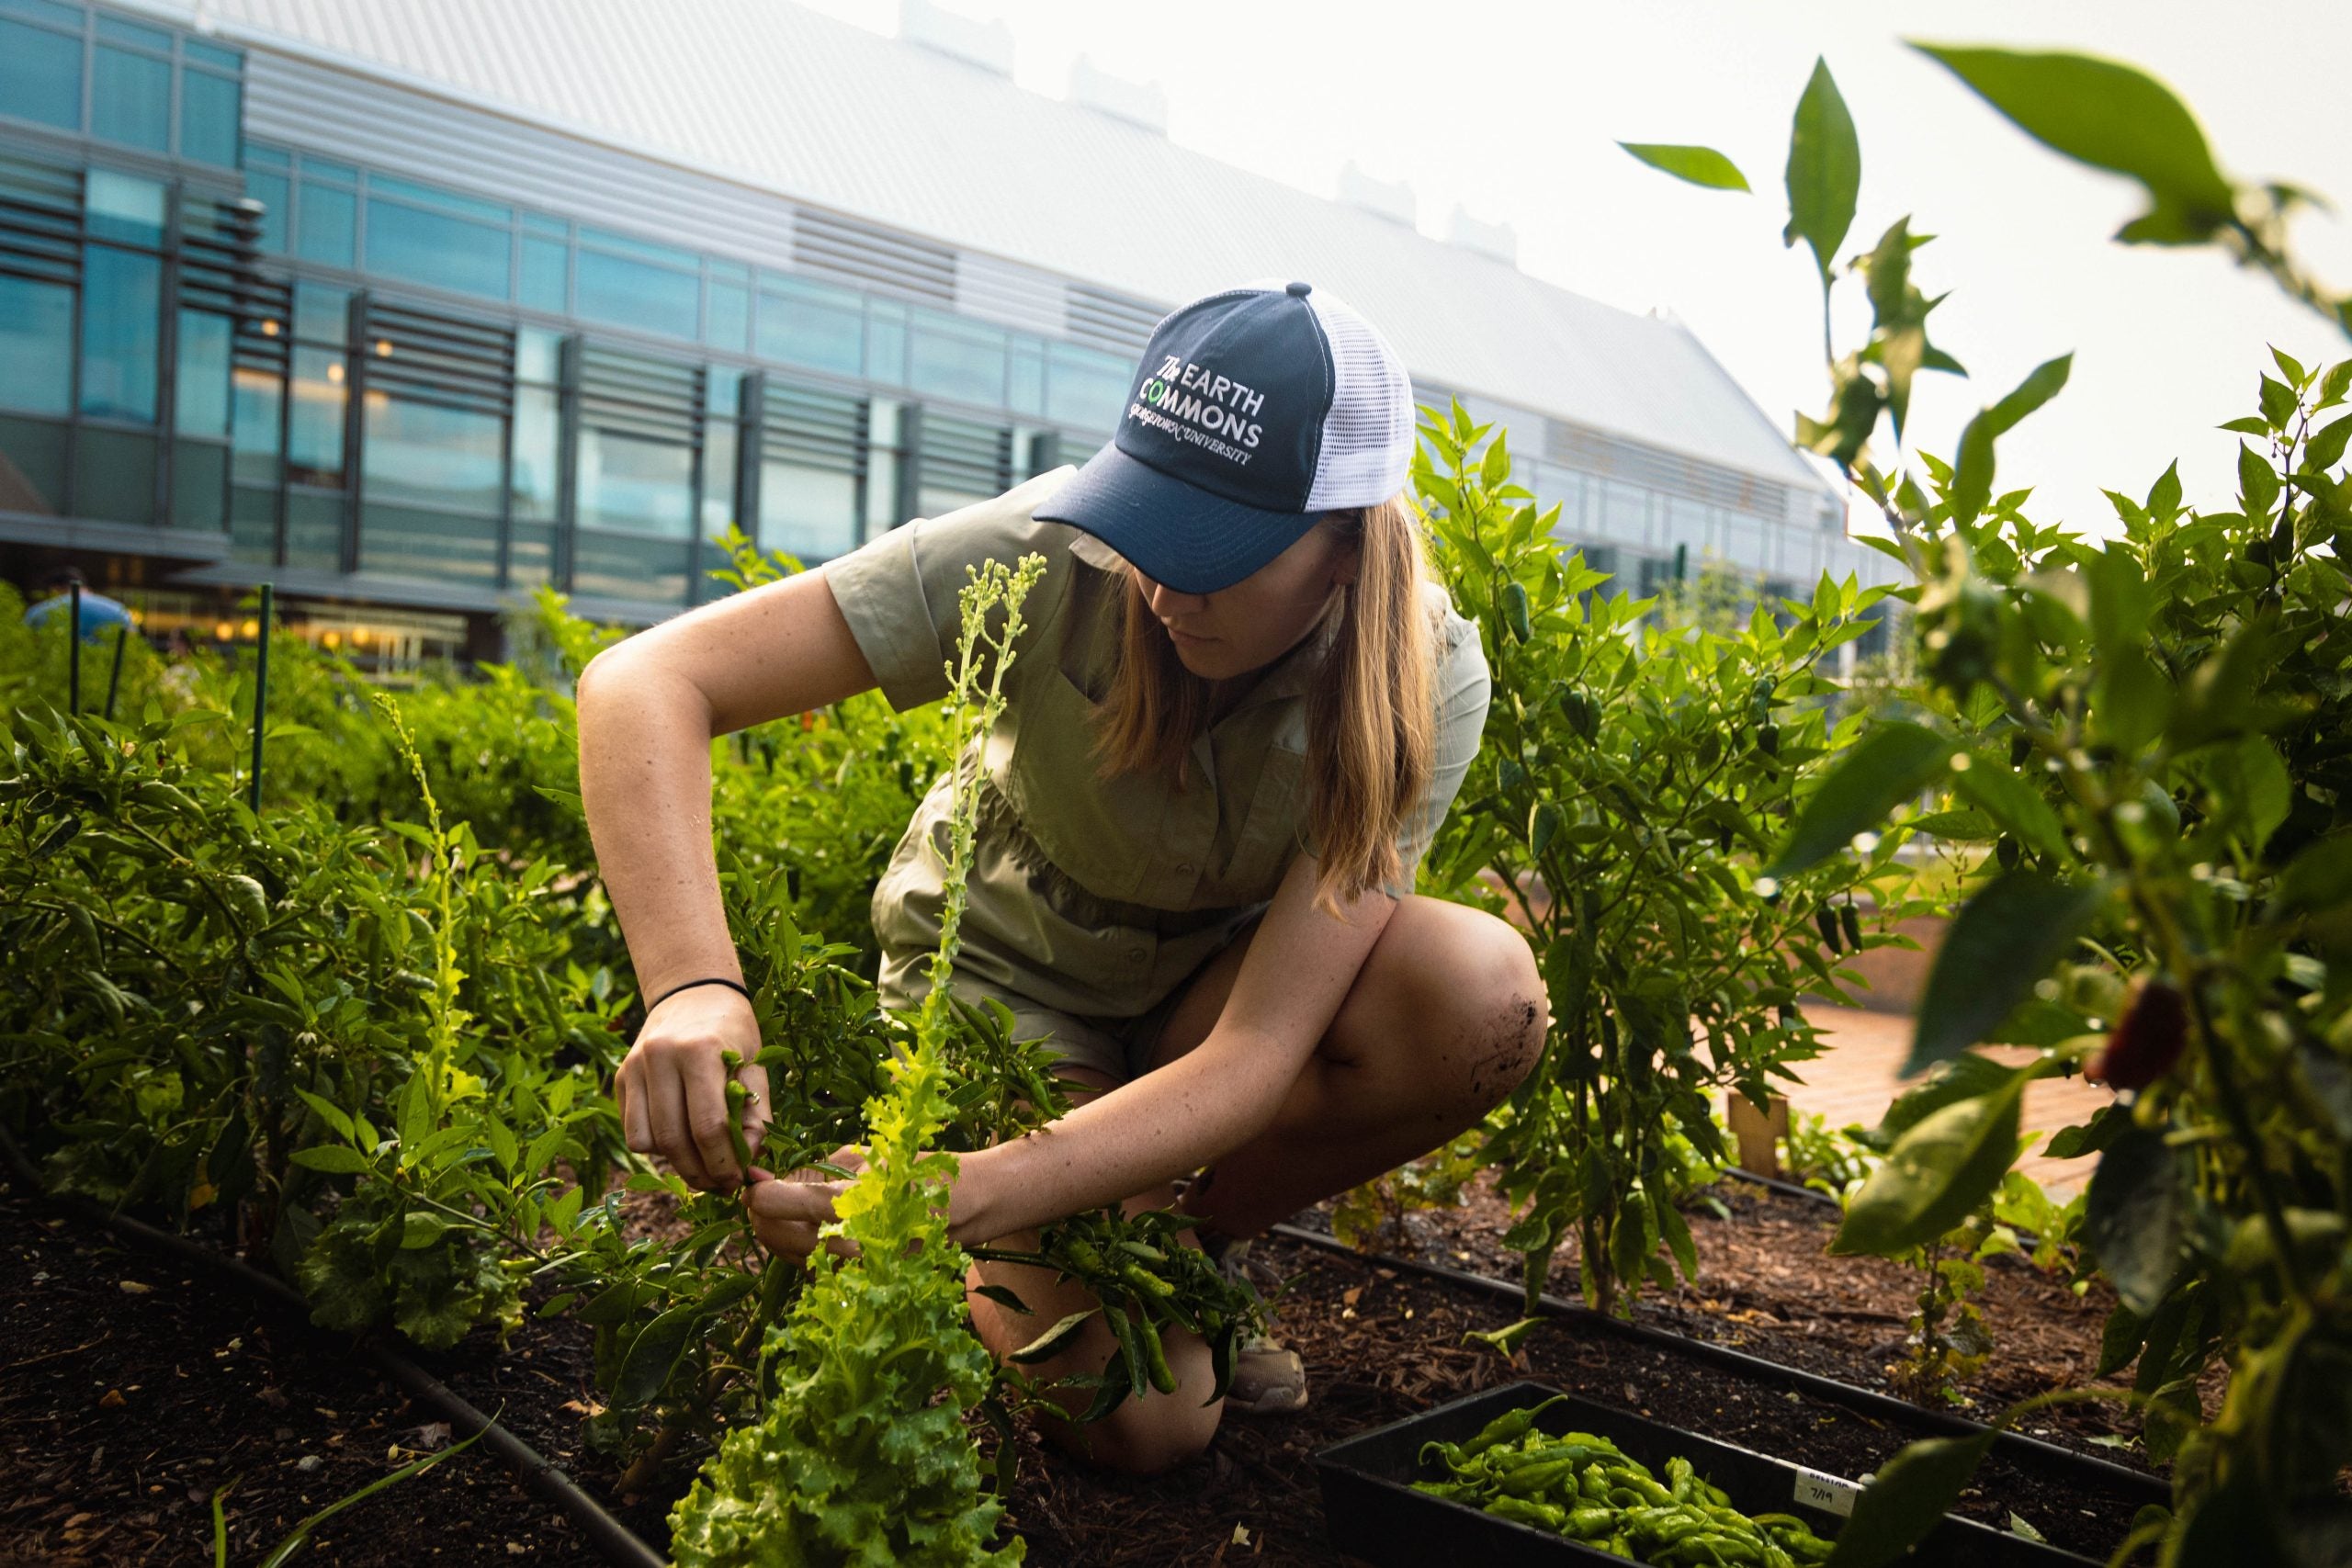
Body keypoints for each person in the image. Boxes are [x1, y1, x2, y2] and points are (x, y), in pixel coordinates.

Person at [577, 279, 1545, 1475]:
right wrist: (690, 987)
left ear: (1346, 543)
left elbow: (1254, 1052)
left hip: (1203, 1004)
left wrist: (963, 1191)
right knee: (1149, 1421)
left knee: (1480, 994)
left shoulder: (1422, 677)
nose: (1163, 584)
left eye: (1218, 551)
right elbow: (646, 682)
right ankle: (1087, 1235)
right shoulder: (1054, 549)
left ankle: (1179, 1245)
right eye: (1154, 523)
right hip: (1011, 979)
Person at [21, 566, 133, 641]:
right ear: (85, 587)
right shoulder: (118, 609)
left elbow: (26, 645)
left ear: (55, 589)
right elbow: (133, 643)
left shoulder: (38, 612)